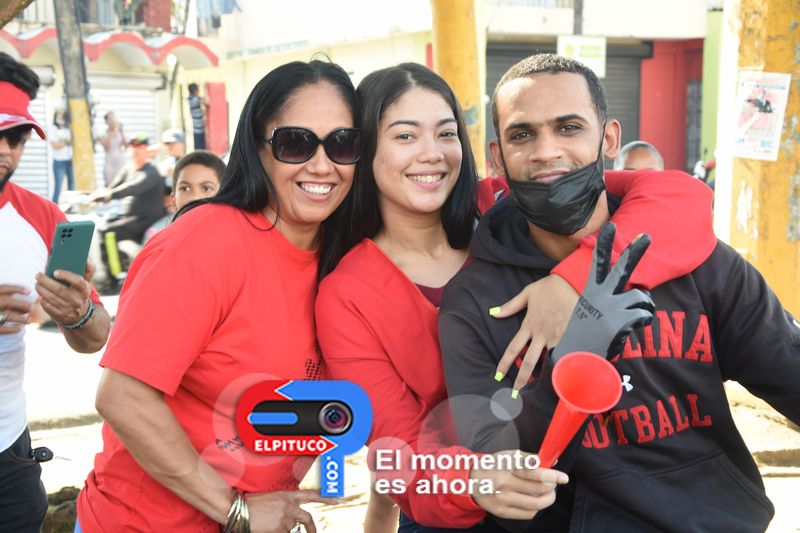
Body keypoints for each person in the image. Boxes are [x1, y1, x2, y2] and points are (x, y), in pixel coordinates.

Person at [315, 63, 716, 532]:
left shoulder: (506, 206)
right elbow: (398, 451)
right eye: (405, 136)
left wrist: (570, 281)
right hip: (459, 502)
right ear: (365, 149)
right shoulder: (347, 296)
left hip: (586, 482)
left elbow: (679, 197)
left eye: (446, 134)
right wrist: (473, 481)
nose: (432, 154)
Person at [439, 53, 800, 532]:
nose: (546, 151)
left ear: (608, 138)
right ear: (498, 156)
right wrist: (573, 363)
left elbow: (788, 371)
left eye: (569, 127)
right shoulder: (474, 300)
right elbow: (500, 472)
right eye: (522, 135)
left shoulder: (698, 262)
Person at [76, 60, 360, 532]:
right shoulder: (204, 244)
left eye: (342, 143)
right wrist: (237, 511)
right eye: (295, 143)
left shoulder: (343, 257)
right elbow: (123, 396)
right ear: (257, 148)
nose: (321, 164)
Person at [0, 52, 110, 533]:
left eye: (17, 138)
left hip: (8, 453)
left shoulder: (42, 217)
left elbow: (96, 338)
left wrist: (77, 312)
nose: (6, 151)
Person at [86, 133, 166, 287]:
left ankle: (116, 278)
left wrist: (108, 195)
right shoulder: (128, 169)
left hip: (146, 219)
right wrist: (91, 195)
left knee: (108, 232)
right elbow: (112, 188)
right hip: (129, 217)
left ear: (147, 150)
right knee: (101, 226)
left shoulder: (151, 172)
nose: (136, 150)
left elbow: (133, 187)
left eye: (140, 147)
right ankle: (119, 269)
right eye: (133, 147)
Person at [142, 149, 225, 242]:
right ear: (173, 199)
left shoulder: (233, 239)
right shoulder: (158, 241)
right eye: (185, 189)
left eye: (206, 188)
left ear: (224, 196)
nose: (195, 197)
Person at [49, 108, 74, 203]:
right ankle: (54, 207)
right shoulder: (53, 128)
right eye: (58, 115)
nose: (60, 117)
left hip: (70, 160)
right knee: (58, 188)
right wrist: (67, 143)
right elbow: (55, 145)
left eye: (62, 115)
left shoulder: (69, 128)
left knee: (72, 188)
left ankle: (72, 207)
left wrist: (64, 143)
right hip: (59, 161)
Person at [98, 111, 126, 187]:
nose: (112, 120)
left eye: (113, 118)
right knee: (109, 184)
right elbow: (107, 147)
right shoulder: (103, 133)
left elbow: (126, 146)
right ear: (106, 121)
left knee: (122, 183)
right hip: (109, 162)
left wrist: (122, 132)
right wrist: (110, 132)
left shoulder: (120, 131)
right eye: (110, 119)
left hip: (120, 161)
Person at [188, 82, 207, 150]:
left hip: (197, 128)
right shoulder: (195, 99)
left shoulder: (191, 98)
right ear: (195, 90)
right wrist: (206, 90)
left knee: (198, 147)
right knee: (200, 148)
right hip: (199, 128)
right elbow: (205, 101)